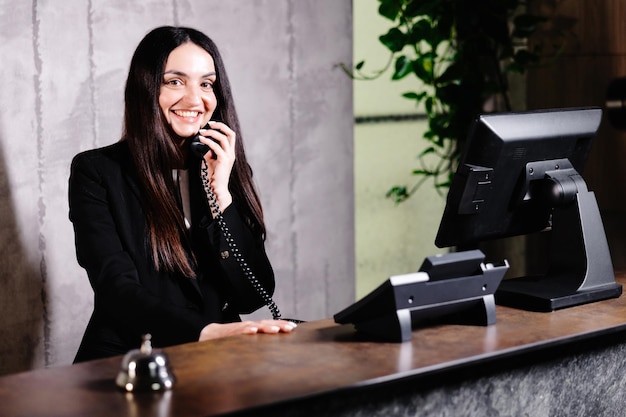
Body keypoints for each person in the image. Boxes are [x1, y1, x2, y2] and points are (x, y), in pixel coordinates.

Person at [69, 26, 296, 363]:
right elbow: (116, 290)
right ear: (146, 89)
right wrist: (206, 332)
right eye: (175, 81)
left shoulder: (220, 167)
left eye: (206, 83)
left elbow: (251, 295)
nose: (195, 99)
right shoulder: (97, 171)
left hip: (215, 361)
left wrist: (222, 195)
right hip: (132, 360)